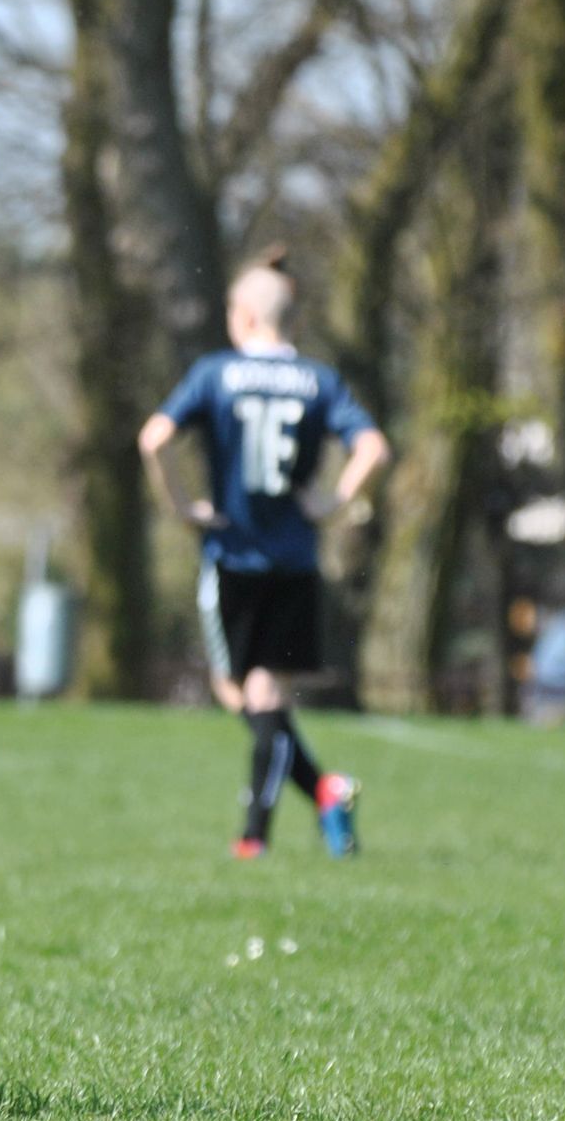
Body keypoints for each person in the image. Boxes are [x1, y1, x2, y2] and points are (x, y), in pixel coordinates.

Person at [139, 261, 391, 859]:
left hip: (233, 556)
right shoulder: (319, 380)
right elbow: (374, 447)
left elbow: (154, 438)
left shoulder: (215, 373)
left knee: (250, 696)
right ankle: (325, 792)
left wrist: (181, 506)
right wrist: (334, 501)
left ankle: (254, 837)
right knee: (257, 695)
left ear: (246, 317)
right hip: (295, 561)